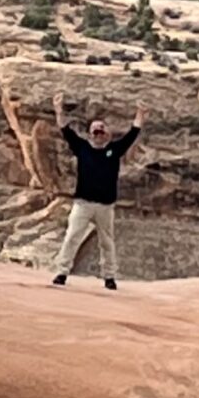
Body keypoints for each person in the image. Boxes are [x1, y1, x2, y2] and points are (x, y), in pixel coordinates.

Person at [50, 91, 144, 289]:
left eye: (101, 130)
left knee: (107, 242)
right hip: (83, 204)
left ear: (107, 134)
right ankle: (61, 272)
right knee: (72, 237)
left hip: (105, 206)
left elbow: (132, 134)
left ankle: (109, 277)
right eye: (95, 131)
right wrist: (58, 109)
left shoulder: (114, 150)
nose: (98, 134)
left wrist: (140, 114)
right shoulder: (82, 147)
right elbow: (65, 130)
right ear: (89, 133)